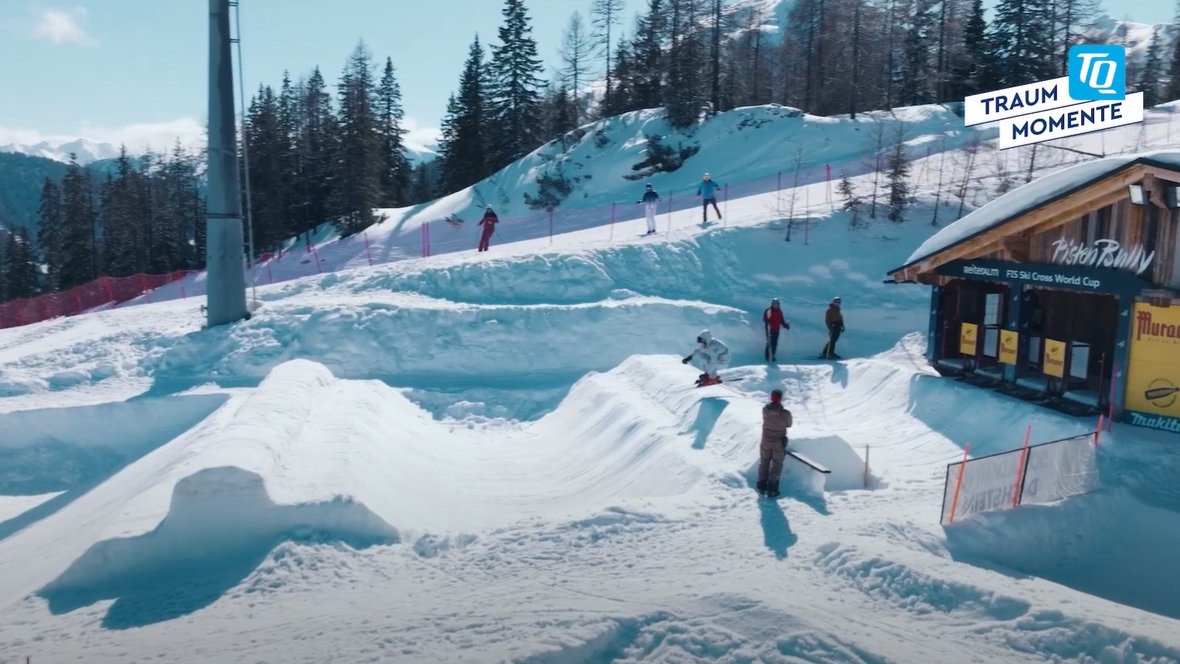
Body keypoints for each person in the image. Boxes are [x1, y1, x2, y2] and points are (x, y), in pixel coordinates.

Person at [757, 389, 793, 498]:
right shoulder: (785, 414)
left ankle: (761, 486)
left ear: (771, 398)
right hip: (778, 443)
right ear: (780, 399)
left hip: (765, 441)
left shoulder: (765, 410)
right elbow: (789, 424)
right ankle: (772, 489)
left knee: (764, 462)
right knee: (776, 464)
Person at [763, 298, 790, 362]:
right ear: (772, 304)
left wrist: (786, 325)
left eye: (777, 304)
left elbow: (781, 321)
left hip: (777, 329)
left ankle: (773, 356)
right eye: (774, 304)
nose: (776, 305)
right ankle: (767, 357)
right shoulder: (769, 311)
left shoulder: (779, 311)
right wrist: (767, 320)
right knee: (769, 343)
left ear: (778, 304)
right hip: (770, 329)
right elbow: (765, 319)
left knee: (775, 343)